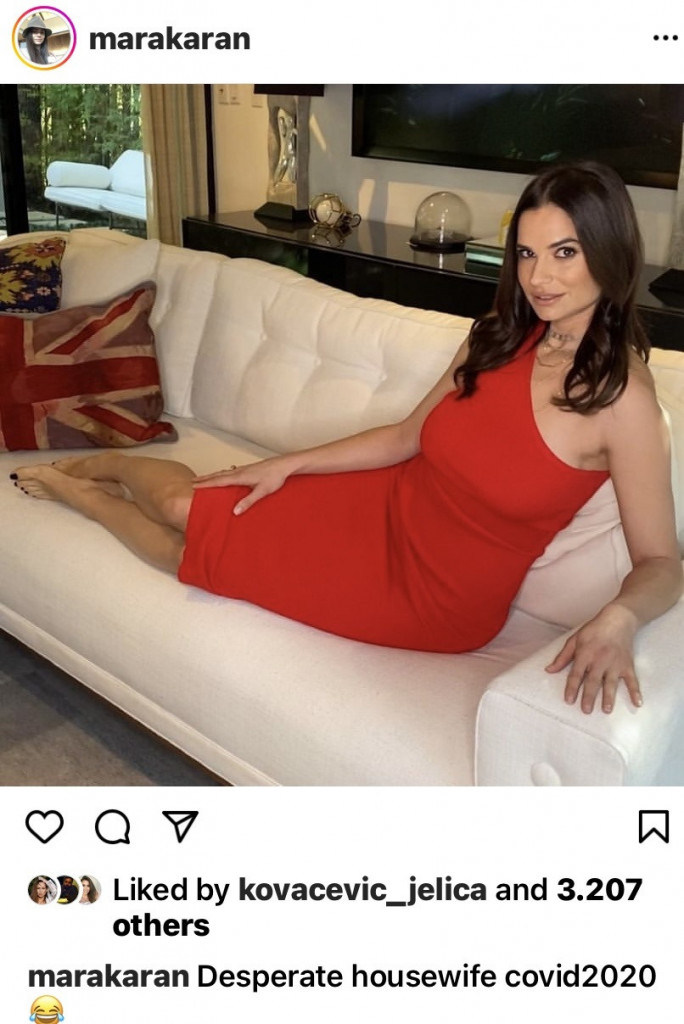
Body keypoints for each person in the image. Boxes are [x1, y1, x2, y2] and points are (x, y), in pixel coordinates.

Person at [12, 162, 682, 716]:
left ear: (609, 252)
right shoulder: (499, 335)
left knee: (195, 554)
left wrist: (620, 616)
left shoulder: (622, 401)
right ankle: (106, 462)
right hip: (379, 503)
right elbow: (406, 437)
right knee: (183, 505)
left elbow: (661, 560)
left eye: (565, 253)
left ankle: (85, 498)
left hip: (434, 597)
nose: (539, 278)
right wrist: (287, 466)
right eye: (528, 254)